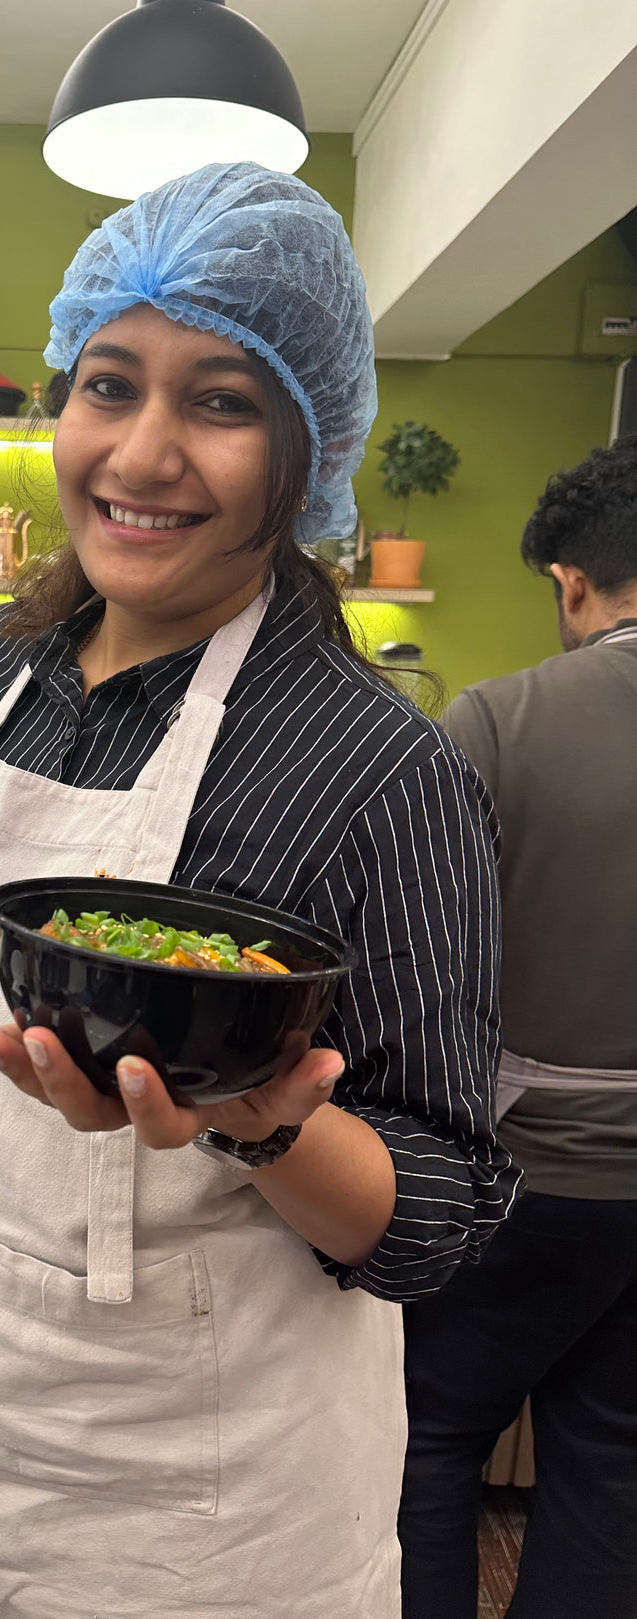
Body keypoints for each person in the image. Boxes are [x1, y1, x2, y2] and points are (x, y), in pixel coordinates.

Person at [0, 162, 518, 1619]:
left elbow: (441, 1210)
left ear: (303, 444)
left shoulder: (370, 765)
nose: (139, 453)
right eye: (107, 381)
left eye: (219, 400)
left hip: (187, 1512)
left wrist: (263, 1117)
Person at [398, 437, 637, 1619]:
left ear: (569, 582)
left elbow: (414, 975)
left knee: (429, 1445)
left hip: (519, 1179)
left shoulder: (494, 721)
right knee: (609, 1466)